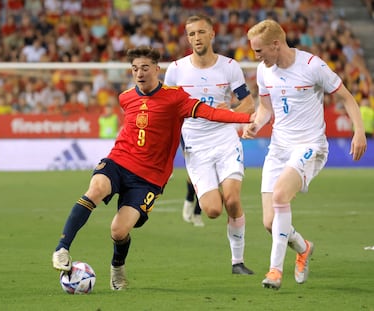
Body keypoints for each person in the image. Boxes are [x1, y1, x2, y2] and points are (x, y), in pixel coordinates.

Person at [52, 46, 255, 290]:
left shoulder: (175, 97)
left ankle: (117, 266)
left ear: (157, 70)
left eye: (145, 68)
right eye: (135, 68)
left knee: (118, 230)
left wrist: (249, 119)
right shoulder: (126, 97)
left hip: (149, 178)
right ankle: (62, 249)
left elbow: (209, 113)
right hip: (119, 160)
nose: (139, 73)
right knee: (96, 188)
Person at [243, 19, 367, 290]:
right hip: (279, 148)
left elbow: (346, 97)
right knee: (269, 223)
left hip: (309, 145)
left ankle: (275, 270)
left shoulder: (312, 66)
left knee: (279, 196)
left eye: (259, 50)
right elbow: (266, 109)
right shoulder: (265, 72)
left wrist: (358, 132)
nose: (256, 57)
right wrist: (255, 124)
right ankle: (303, 247)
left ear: (276, 44)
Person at [164, 14, 256, 275]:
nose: (196, 38)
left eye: (201, 32)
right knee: (213, 210)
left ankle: (237, 262)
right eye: (191, 34)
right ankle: (207, 186)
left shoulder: (229, 67)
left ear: (212, 34)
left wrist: (233, 107)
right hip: (196, 145)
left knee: (233, 200)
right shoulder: (177, 69)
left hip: (226, 139)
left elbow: (248, 104)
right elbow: (167, 108)